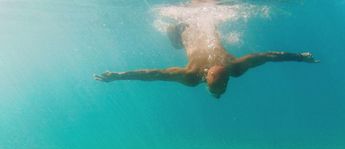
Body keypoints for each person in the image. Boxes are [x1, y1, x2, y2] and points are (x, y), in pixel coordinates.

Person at [94, 14, 319, 99]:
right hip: (184, 30)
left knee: (179, 33)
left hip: (187, 31)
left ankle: (192, 20)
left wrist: (119, 75)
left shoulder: (193, 75)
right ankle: (192, 20)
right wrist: (298, 56)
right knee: (175, 36)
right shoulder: (232, 68)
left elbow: (152, 74)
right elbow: (268, 56)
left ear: (206, 77)